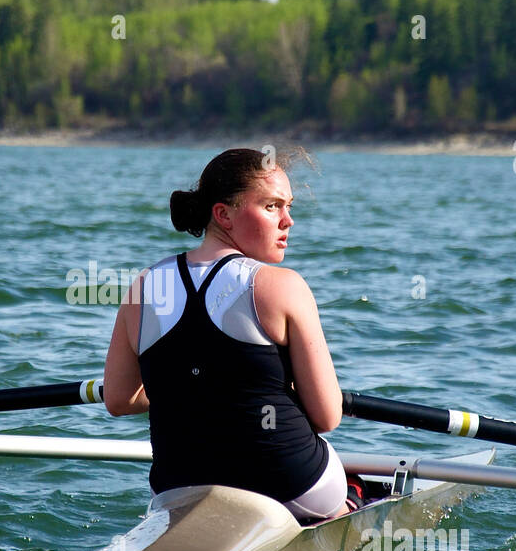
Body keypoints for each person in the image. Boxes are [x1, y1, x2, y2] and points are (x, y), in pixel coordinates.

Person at [103, 148, 361, 521]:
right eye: (272, 206)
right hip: (288, 487)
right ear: (223, 214)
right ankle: (349, 502)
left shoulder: (143, 286)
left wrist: (191, 384)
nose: (288, 221)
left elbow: (118, 399)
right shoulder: (283, 286)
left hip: (178, 489)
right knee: (339, 477)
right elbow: (326, 417)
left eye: (288, 207)